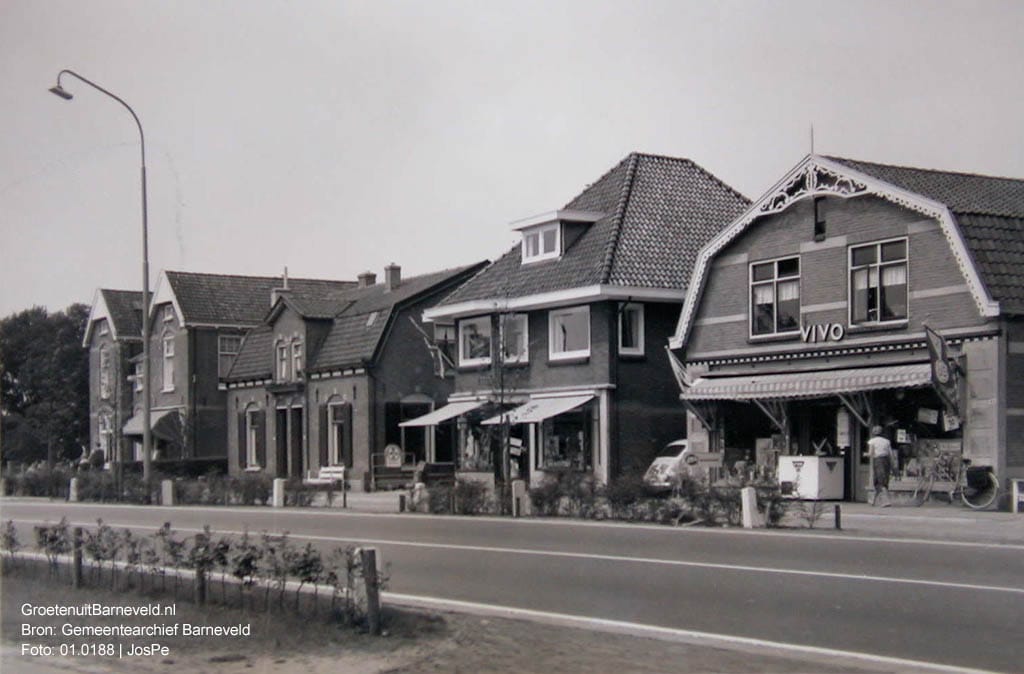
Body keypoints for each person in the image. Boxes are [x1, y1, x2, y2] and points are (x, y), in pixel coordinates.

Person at [866, 425, 895, 507]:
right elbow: (891, 454)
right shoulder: (887, 441)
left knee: (880, 481)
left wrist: (865, 454)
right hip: (886, 461)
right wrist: (893, 465)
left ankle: (887, 501)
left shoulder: (872, 441)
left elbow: (871, 453)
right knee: (882, 480)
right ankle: (873, 501)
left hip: (878, 461)